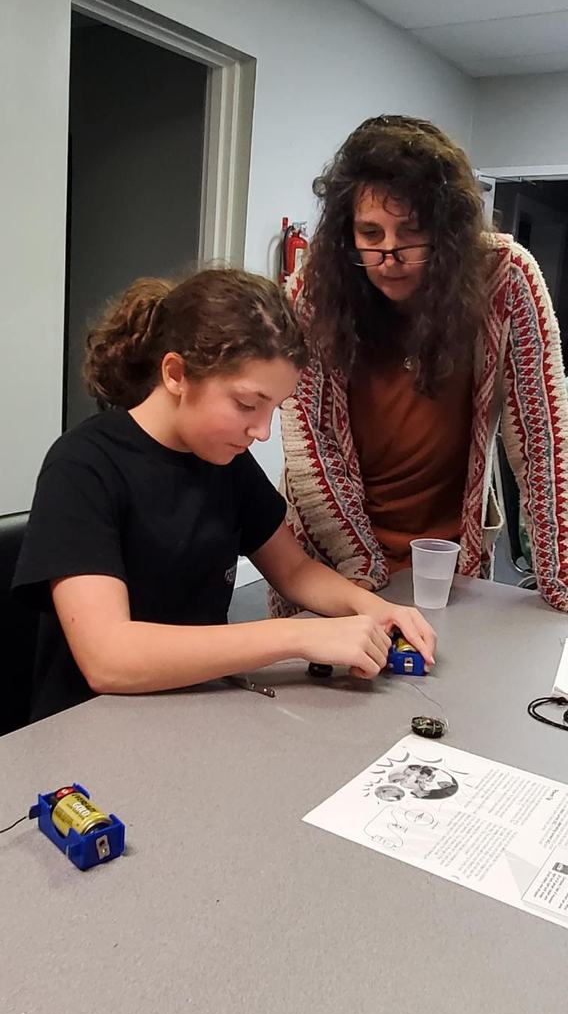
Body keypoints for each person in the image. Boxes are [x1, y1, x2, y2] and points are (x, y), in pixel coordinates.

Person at [13, 267, 436, 720]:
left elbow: (294, 570)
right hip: (92, 727)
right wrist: (294, 637)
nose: (263, 431)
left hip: (196, 710)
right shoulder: (83, 467)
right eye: (248, 405)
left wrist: (378, 609)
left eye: (274, 408)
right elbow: (108, 658)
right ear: (176, 374)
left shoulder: (224, 460)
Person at [273, 115, 568, 614]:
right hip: (333, 557)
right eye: (370, 233)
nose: (388, 254)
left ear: (448, 231)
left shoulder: (506, 278)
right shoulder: (314, 291)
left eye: (410, 233)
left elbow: (544, 443)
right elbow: (311, 448)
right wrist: (365, 575)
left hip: (447, 557)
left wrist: (563, 585)